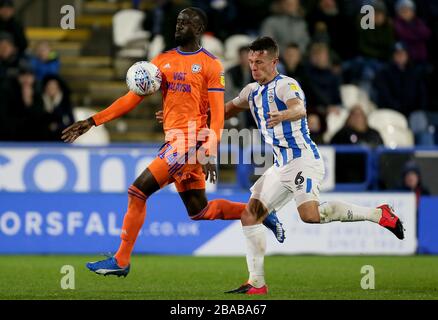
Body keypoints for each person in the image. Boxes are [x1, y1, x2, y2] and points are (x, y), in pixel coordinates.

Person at [62, 7, 284, 278]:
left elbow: (217, 116)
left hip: (190, 143)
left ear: (199, 29)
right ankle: (260, 211)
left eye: (186, 23)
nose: (178, 26)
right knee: (199, 211)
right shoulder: (162, 60)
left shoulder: (211, 65)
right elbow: (131, 98)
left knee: (137, 191)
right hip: (176, 142)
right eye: (177, 22)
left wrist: (208, 151)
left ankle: (121, 260)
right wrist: (93, 121)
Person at [223, 37, 405, 295]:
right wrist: (189, 118)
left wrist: (283, 114)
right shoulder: (251, 91)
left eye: (260, 62)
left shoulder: (287, 85)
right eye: (251, 62)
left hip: (303, 160)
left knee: (309, 215)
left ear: (274, 62)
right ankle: (256, 283)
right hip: (280, 165)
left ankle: (378, 214)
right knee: (249, 214)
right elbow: (226, 111)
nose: (254, 67)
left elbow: (299, 108)